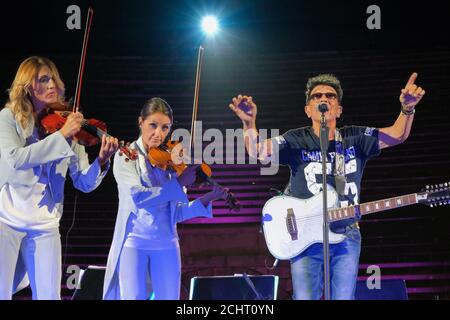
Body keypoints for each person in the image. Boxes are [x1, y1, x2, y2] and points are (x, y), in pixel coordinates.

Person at [228, 73, 425, 299]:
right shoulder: (296, 139)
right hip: (304, 234)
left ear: (339, 109)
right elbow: (259, 152)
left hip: (346, 232)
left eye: (330, 96)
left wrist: (407, 109)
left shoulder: (355, 137)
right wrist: (248, 124)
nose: (324, 98)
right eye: (317, 96)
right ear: (308, 109)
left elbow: (397, 135)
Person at [0, 56, 119, 300]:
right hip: (7, 221)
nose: (52, 84)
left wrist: (102, 161)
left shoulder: (67, 123)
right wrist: (62, 135)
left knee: (49, 296)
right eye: (44, 79)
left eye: (53, 78)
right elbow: (16, 159)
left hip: (45, 226)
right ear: (27, 86)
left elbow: (83, 182)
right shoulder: (8, 117)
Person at [103, 97, 228, 300]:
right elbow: (138, 197)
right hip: (134, 242)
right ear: (140, 121)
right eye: (153, 125)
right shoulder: (126, 155)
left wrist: (206, 199)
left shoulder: (170, 161)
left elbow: (176, 212)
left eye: (165, 128)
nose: (158, 134)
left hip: (167, 243)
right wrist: (178, 184)